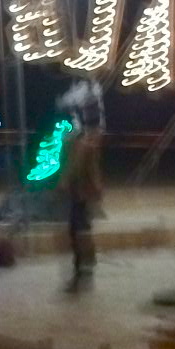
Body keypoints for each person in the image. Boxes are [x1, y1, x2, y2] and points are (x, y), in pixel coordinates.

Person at [57, 79, 105, 294]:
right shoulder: (80, 141)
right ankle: (83, 270)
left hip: (81, 193)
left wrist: (66, 182)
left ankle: (83, 271)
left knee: (80, 231)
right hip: (80, 192)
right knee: (79, 230)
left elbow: (82, 168)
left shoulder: (85, 142)